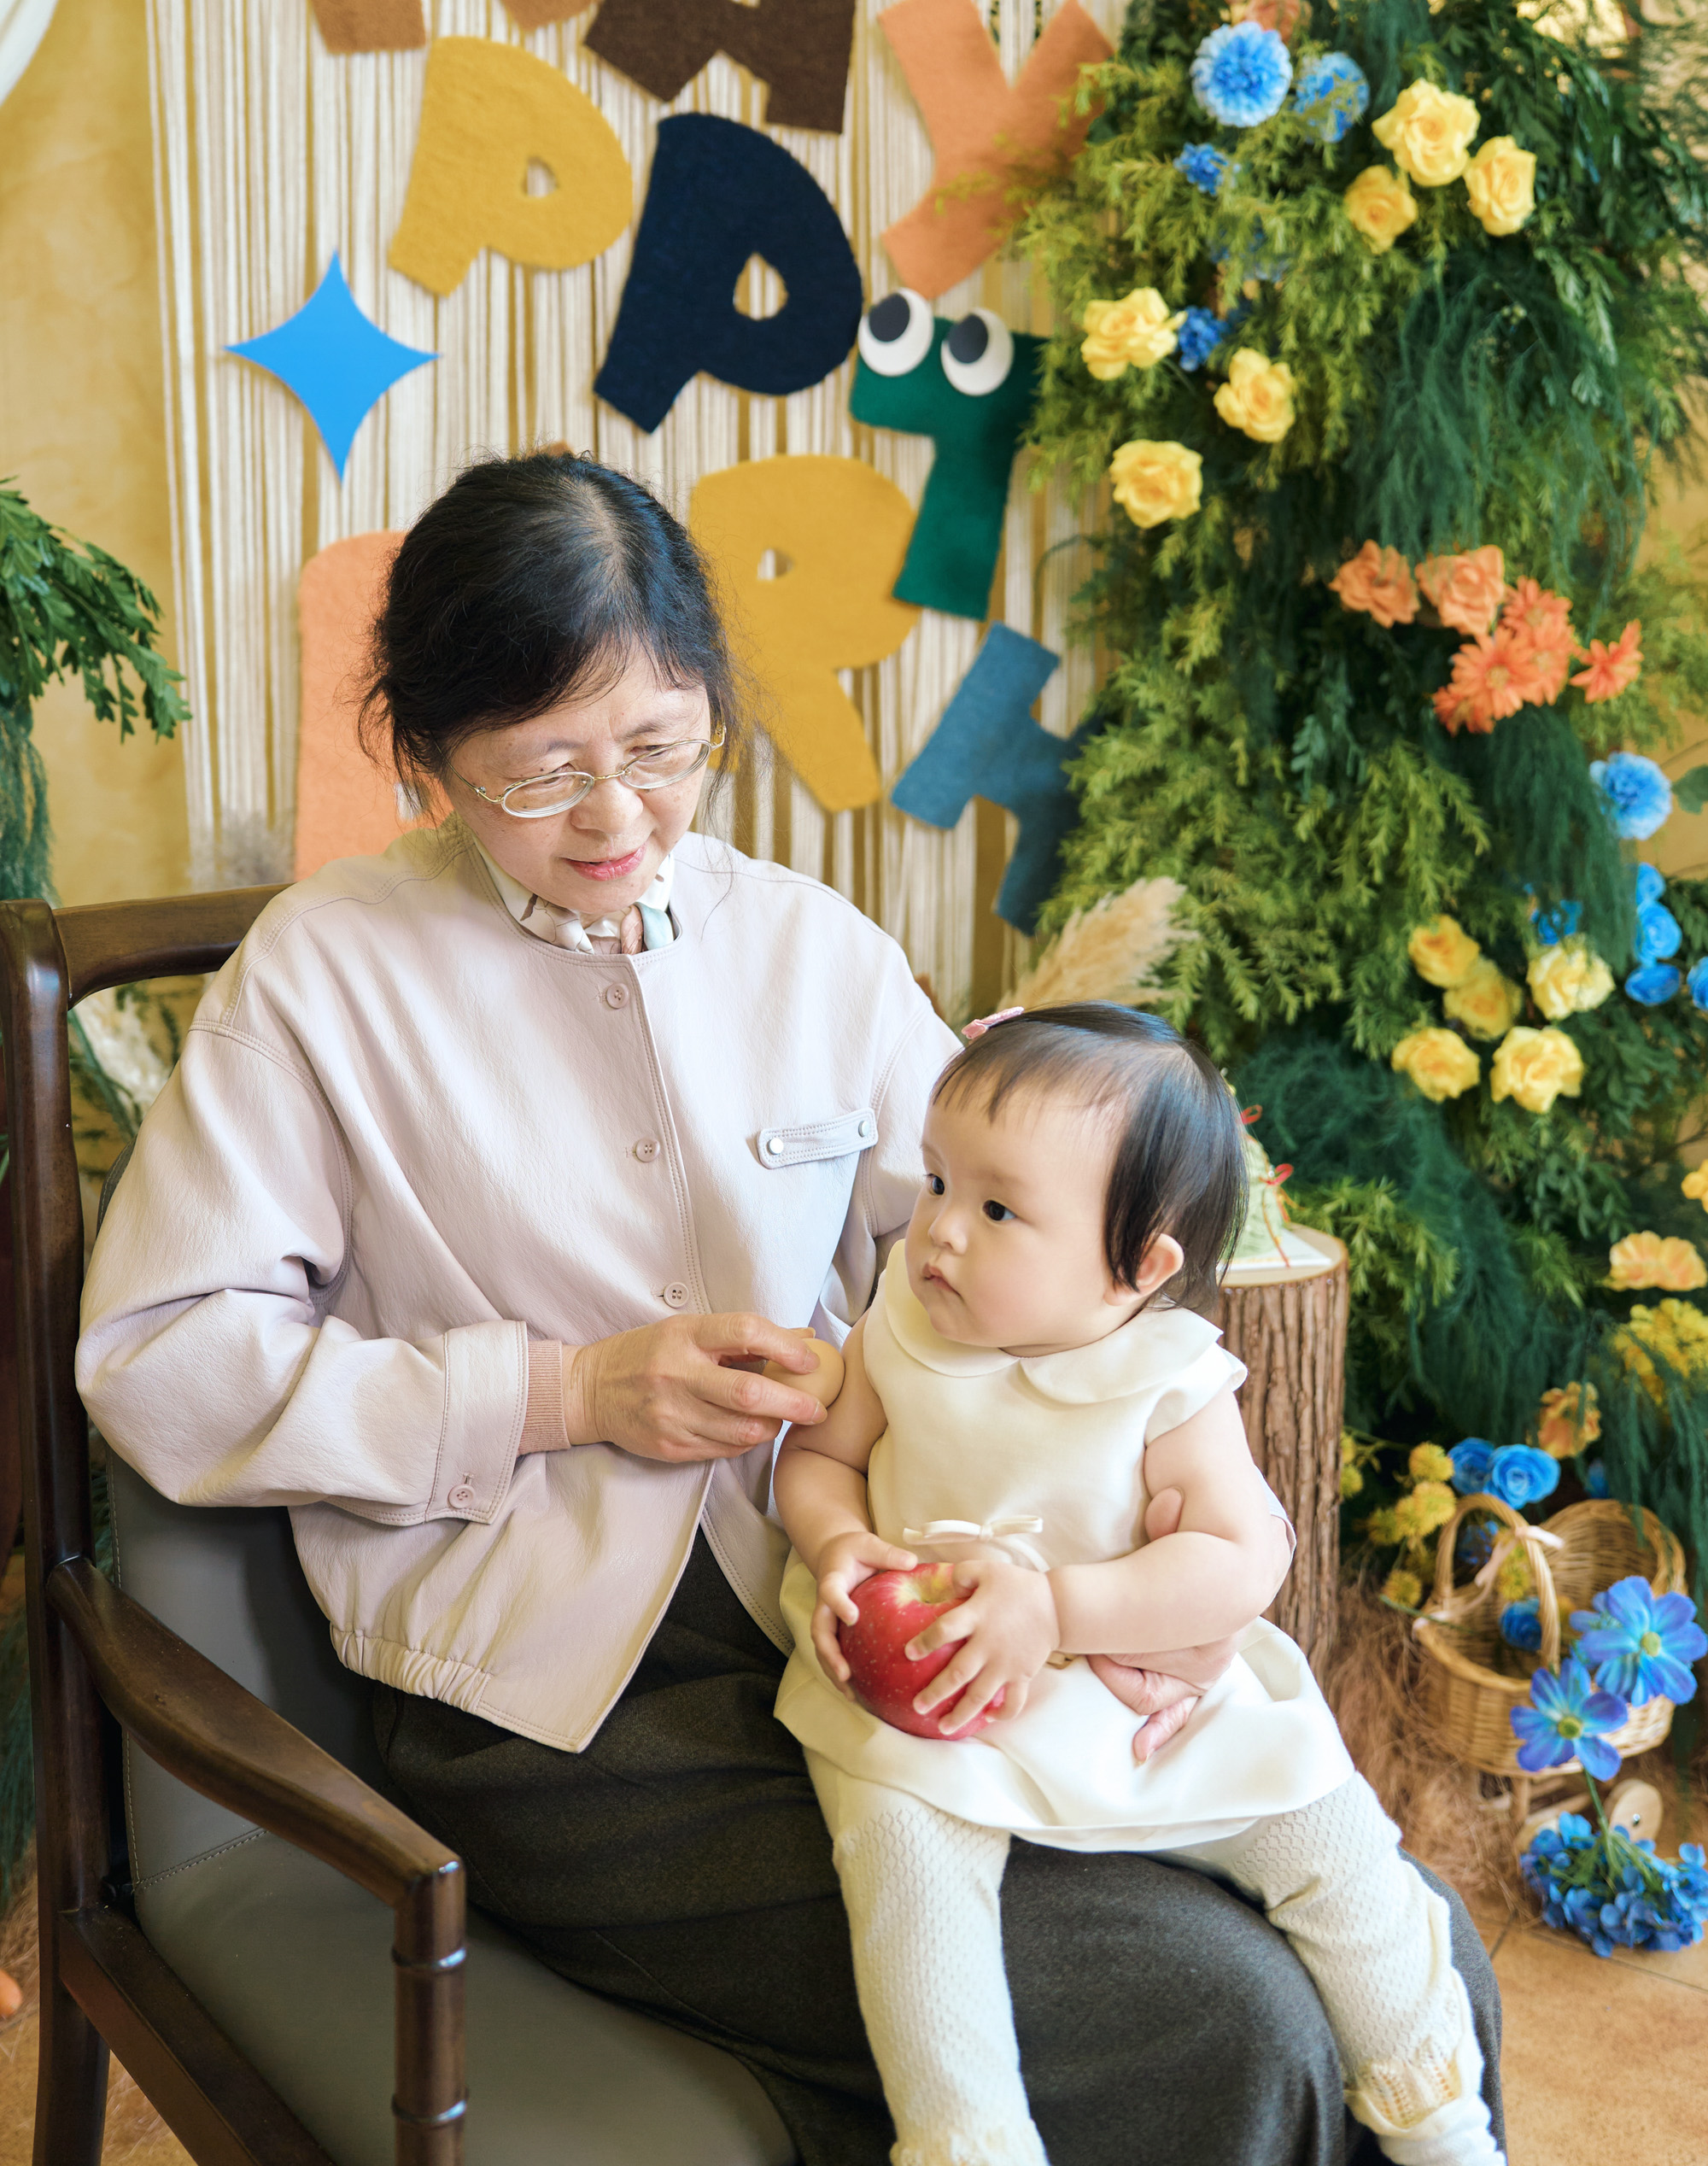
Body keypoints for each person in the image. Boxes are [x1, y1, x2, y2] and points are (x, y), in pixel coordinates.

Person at [78, 451, 1502, 2166]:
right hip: (551, 1708)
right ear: (425, 756)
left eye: (659, 749)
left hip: (876, 1607)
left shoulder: (812, 950)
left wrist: (1149, 1593)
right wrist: (564, 1393)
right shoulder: (321, 979)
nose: (615, 820)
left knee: (1413, 1950)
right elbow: (160, 1358)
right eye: (542, 772)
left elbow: (1032, 1274)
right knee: (1219, 2024)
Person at [775, 1004, 1505, 2166]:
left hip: (1137, 1685)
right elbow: (819, 1459)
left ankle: (1440, 2121)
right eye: (938, 1180)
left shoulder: (1169, 1379)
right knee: (906, 1871)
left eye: (999, 1209)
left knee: (1333, 1837)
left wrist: (1059, 1608)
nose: (940, 1229)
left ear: (1138, 1270)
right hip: (939, 1696)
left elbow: (1238, 1558)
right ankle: (969, 2140)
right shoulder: (906, 1326)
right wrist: (838, 1544)